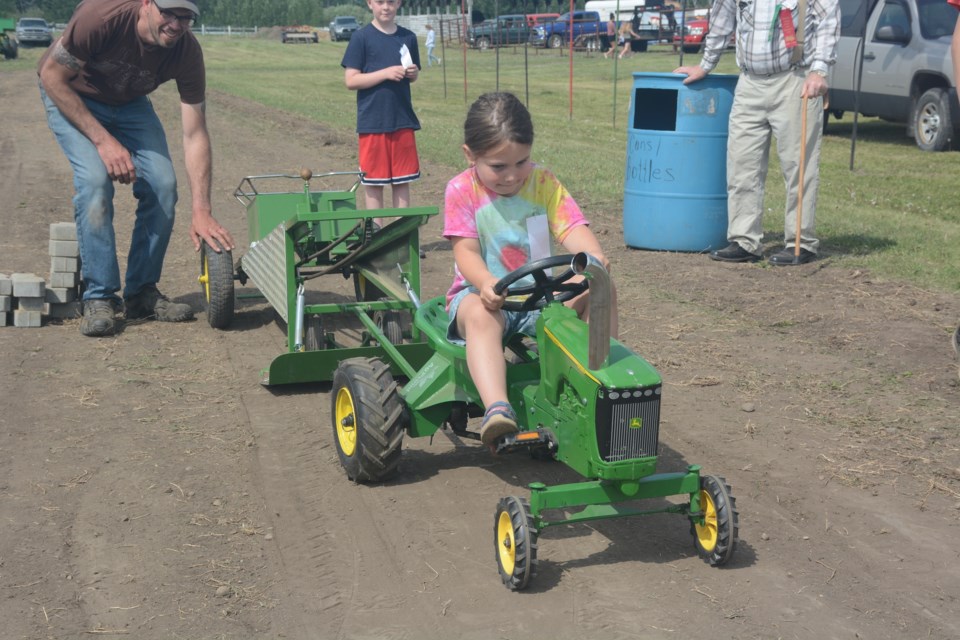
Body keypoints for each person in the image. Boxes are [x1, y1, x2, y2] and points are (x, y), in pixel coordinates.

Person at [38, 0, 236, 338]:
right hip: (71, 95)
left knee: (163, 185)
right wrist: (103, 142)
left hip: (129, 104)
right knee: (95, 182)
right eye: (169, 13)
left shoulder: (186, 51)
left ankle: (142, 293)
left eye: (186, 17)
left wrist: (202, 209)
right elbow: (51, 76)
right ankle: (99, 297)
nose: (176, 24)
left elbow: (195, 132)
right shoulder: (100, 17)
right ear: (146, 4)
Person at [442, 92, 618, 449]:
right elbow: (466, 252)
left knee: (600, 286)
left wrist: (593, 256)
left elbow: (571, 229)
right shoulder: (462, 190)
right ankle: (497, 408)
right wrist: (485, 282)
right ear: (470, 155)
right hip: (485, 295)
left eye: (521, 163)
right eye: (498, 167)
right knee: (480, 314)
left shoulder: (543, 183)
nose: (511, 176)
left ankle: (596, 376)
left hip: (544, 296)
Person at [673, 0, 840, 265]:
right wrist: (706, 64)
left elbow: (828, 20)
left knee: (799, 165)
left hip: (795, 79)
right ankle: (743, 240)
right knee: (741, 162)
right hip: (749, 81)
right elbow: (721, 20)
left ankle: (800, 243)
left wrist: (819, 70)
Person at [342, 0, 421, 212]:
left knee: (402, 181)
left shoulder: (408, 38)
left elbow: (412, 76)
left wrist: (413, 74)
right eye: (379, 2)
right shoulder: (361, 37)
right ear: (370, 4)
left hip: (402, 120)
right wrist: (385, 73)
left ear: (399, 4)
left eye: (391, 2)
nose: (385, 7)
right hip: (372, 122)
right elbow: (351, 80)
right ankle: (377, 239)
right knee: (374, 184)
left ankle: (401, 238)